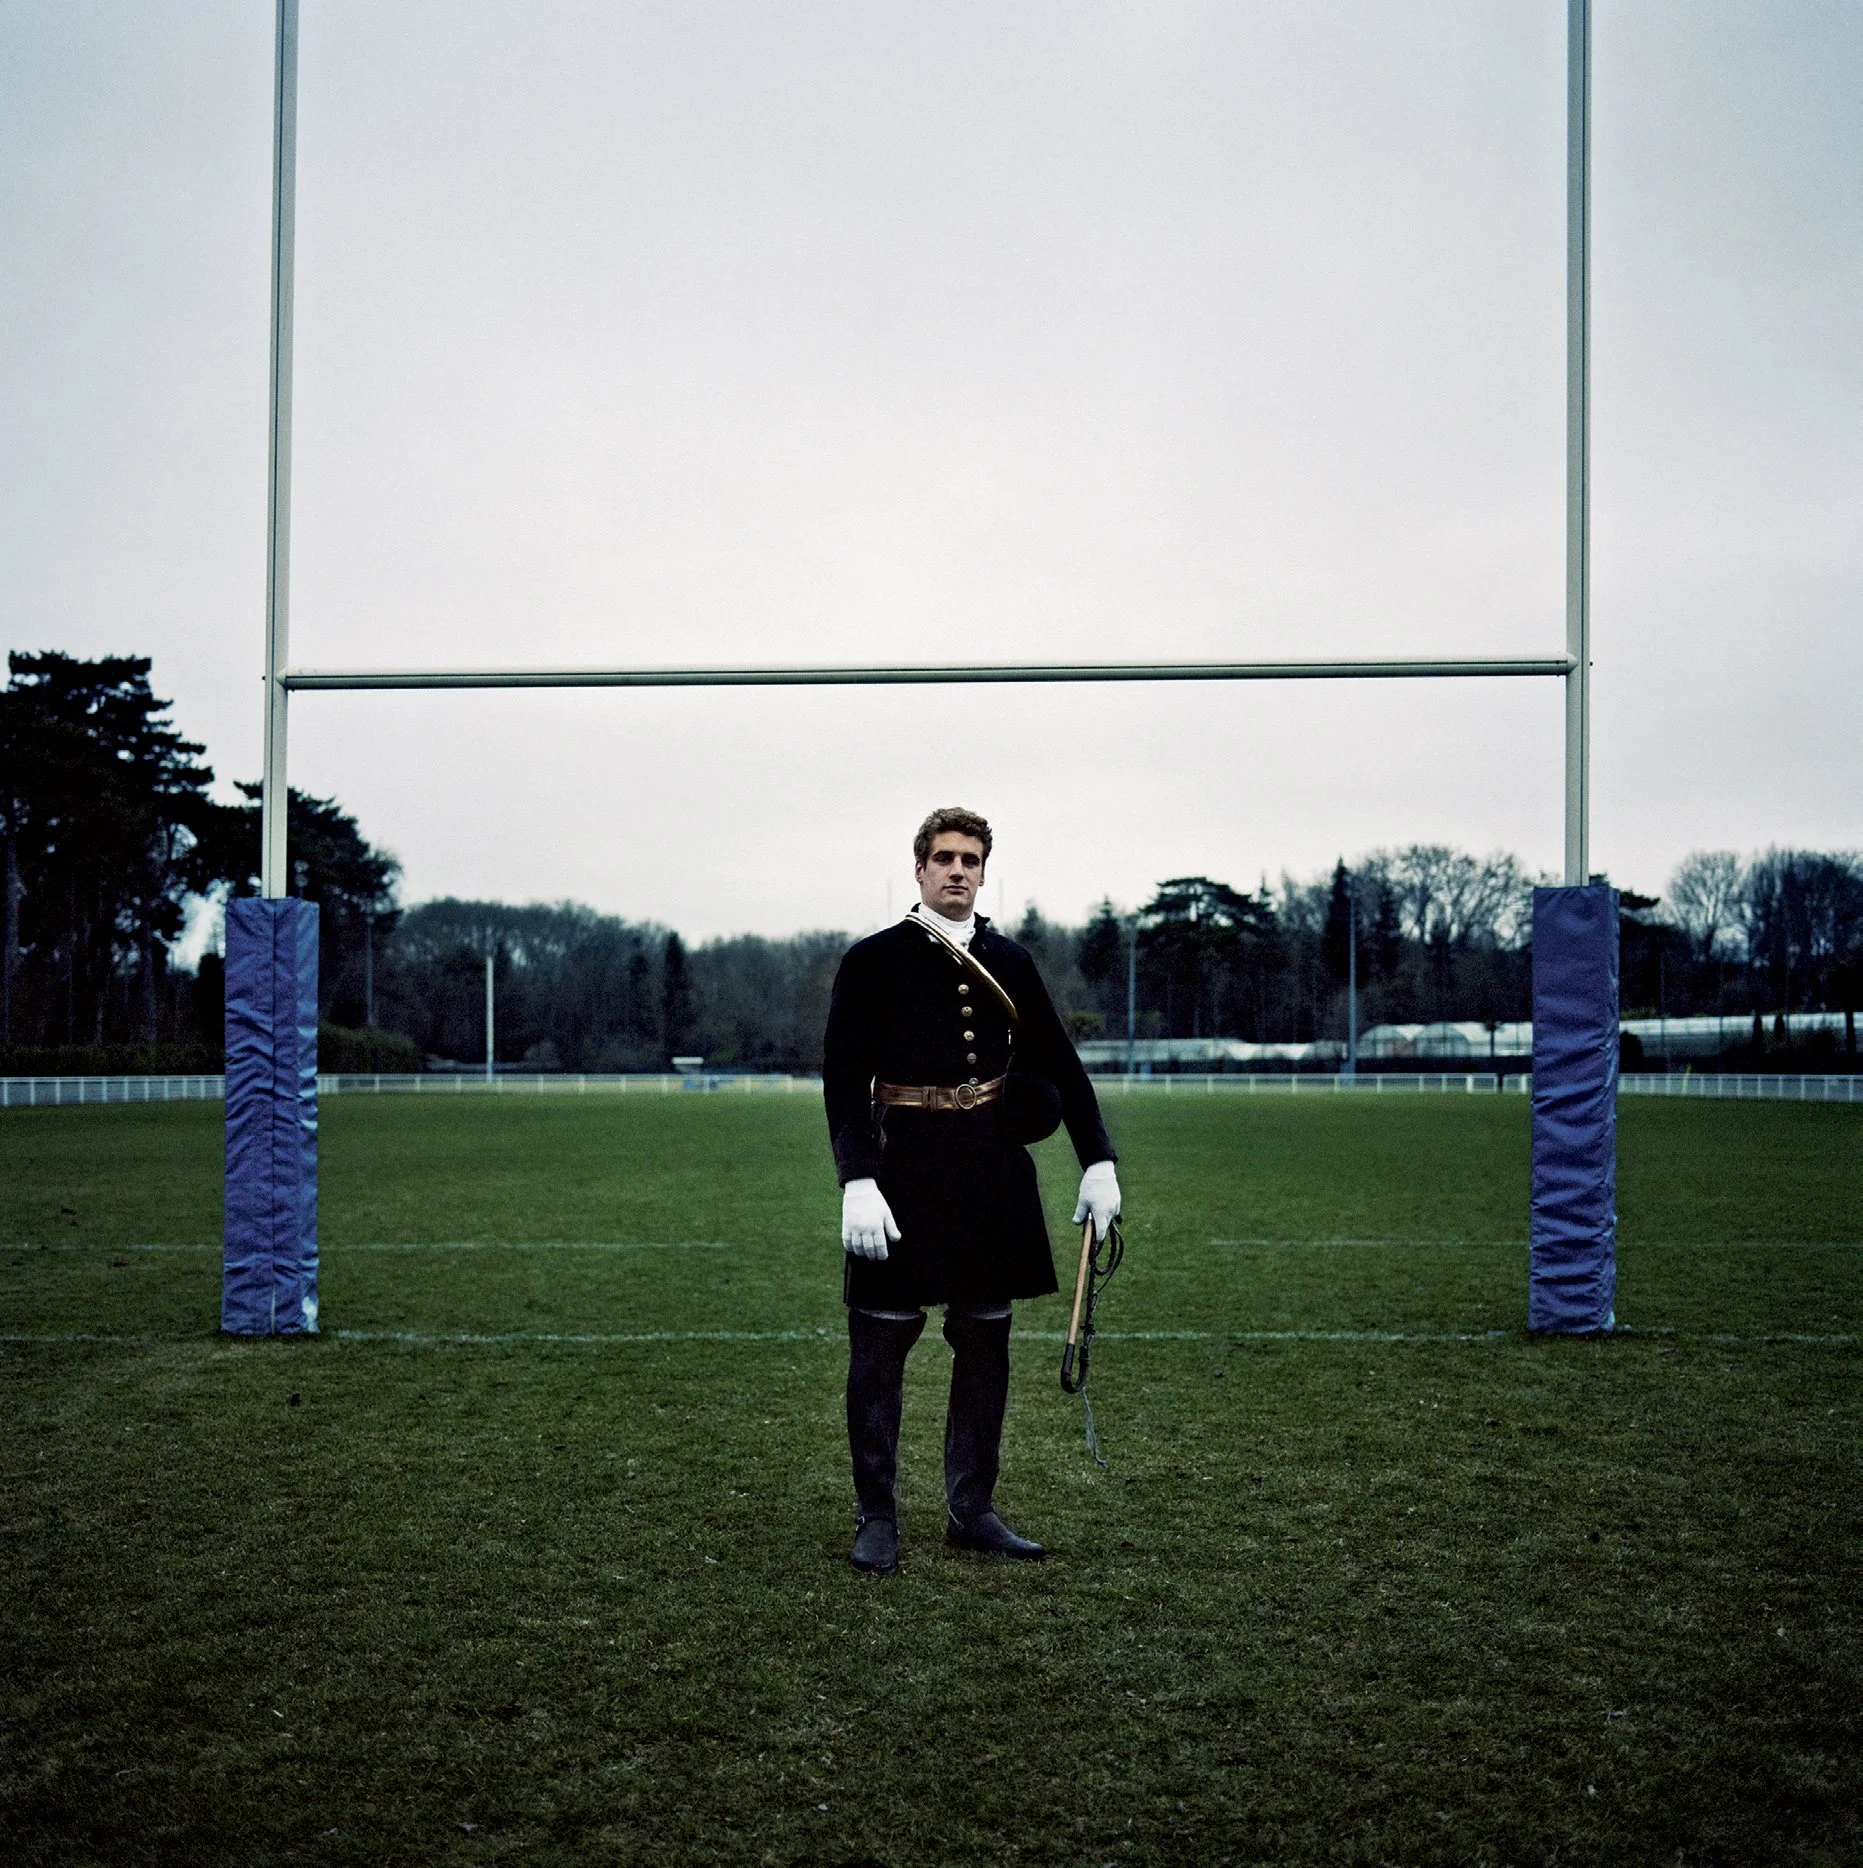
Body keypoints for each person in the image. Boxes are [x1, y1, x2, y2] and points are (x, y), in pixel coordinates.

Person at [822, 805, 1122, 1574]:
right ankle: (877, 1515)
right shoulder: (874, 959)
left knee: (985, 1344)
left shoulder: (1012, 961)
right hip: (902, 1168)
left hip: (991, 1172)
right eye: (944, 858)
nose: (958, 870)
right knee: (880, 1347)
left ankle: (971, 1509)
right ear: (919, 868)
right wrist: (856, 1179)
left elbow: (1059, 1059)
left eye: (971, 859)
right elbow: (841, 1078)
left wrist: (1098, 1161)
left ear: (984, 871)